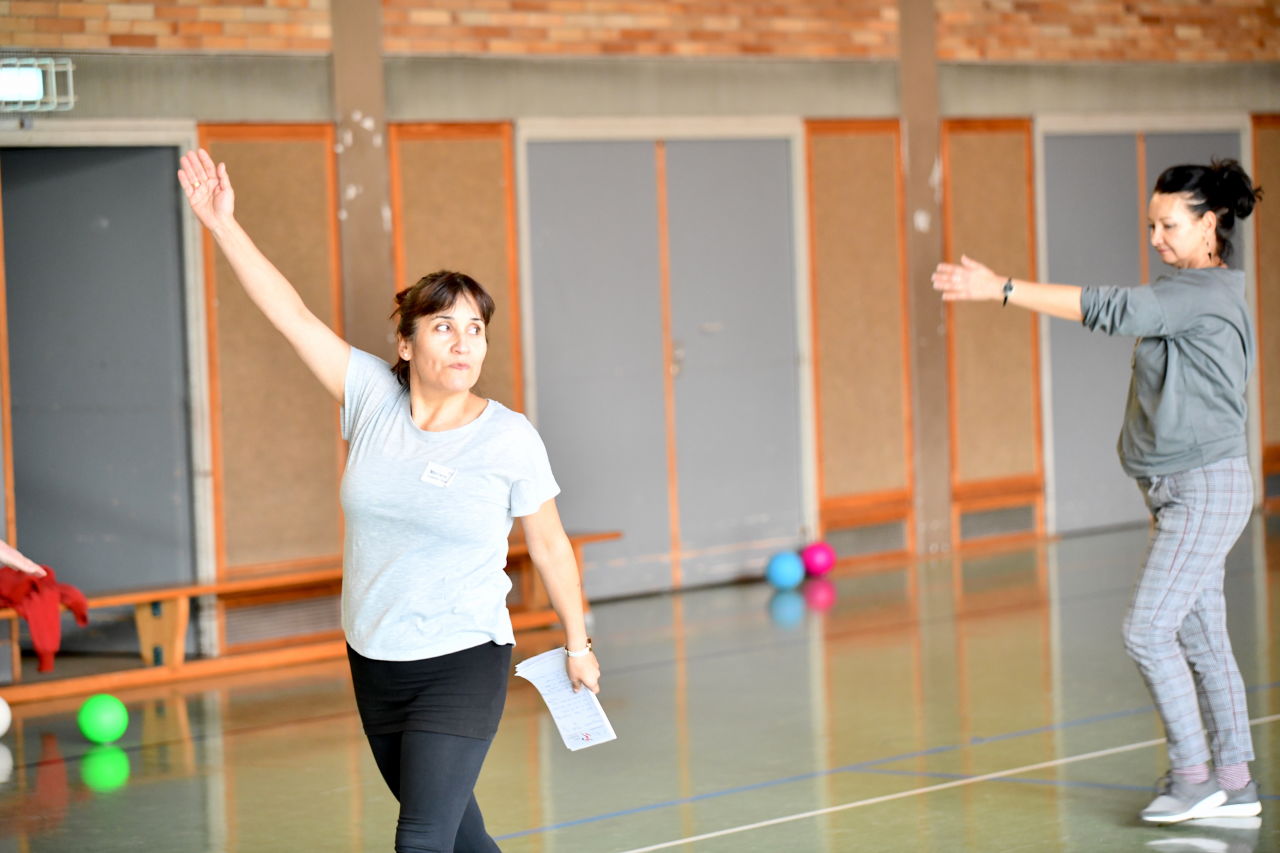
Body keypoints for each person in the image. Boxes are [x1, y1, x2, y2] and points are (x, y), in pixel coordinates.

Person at [178, 148, 600, 852]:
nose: (463, 342)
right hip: (374, 657)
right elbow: (292, 316)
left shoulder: (508, 438)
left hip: (464, 656)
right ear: (404, 344)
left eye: (475, 328)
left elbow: (551, 545)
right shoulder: (373, 398)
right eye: (443, 326)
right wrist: (223, 225)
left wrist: (577, 644)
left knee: (421, 840)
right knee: (459, 835)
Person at [932, 159, 1263, 825]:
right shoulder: (1194, 290)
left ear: (1210, 225)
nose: (1156, 238)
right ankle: (1235, 783)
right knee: (1203, 640)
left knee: (1147, 630)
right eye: (1151, 226)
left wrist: (1001, 287)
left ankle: (1195, 776)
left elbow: (1112, 309)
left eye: (1169, 225)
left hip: (1204, 488)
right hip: (1186, 489)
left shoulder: (1200, 294)